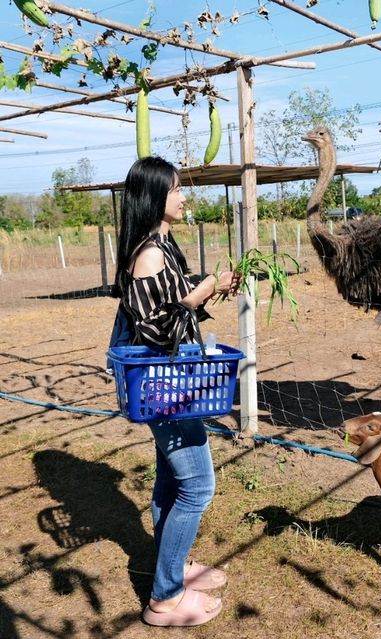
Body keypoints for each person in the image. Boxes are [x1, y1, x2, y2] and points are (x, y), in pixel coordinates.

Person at [112, 156, 238, 627]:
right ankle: (164, 598)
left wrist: (212, 286)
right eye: (177, 189)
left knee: (171, 480)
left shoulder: (163, 247)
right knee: (198, 486)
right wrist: (202, 291)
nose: (184, 196)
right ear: (154, 197)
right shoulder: (147, 252)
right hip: (166, 386)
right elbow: (156, 327)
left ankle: (174, 566)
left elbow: (172, 299)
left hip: (174, 381)